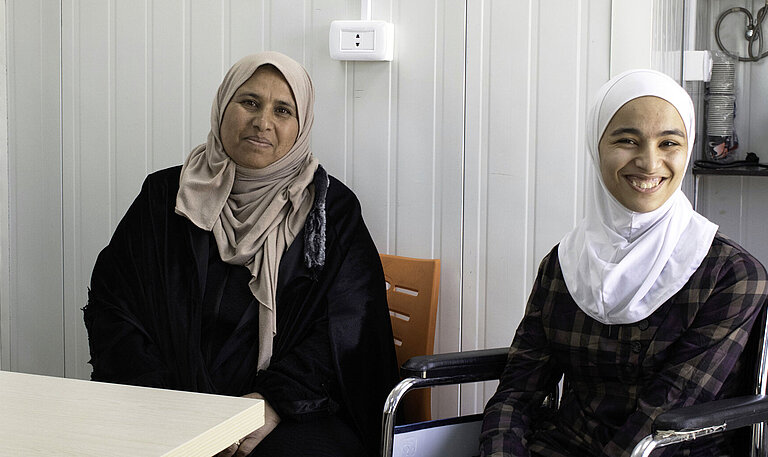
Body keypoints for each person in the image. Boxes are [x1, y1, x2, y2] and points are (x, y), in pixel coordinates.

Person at [83, 51, 399, 457]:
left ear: (301, 127)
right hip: (167, 398)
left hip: (286, 410)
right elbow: (114, 307)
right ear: (223, 105)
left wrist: (271, 404)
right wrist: (163, 401)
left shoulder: (329, 210)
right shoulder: (165, 197)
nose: (262, 122)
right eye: (249, 102)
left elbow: (347, 330)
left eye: (283, 110)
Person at [480, 69, 768, 457]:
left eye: (669, 142)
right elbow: (517, 393)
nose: (650, 163)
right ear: (595, 146)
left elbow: (662, 420)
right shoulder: (564, 264)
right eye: (627, 140)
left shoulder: (731, 275)